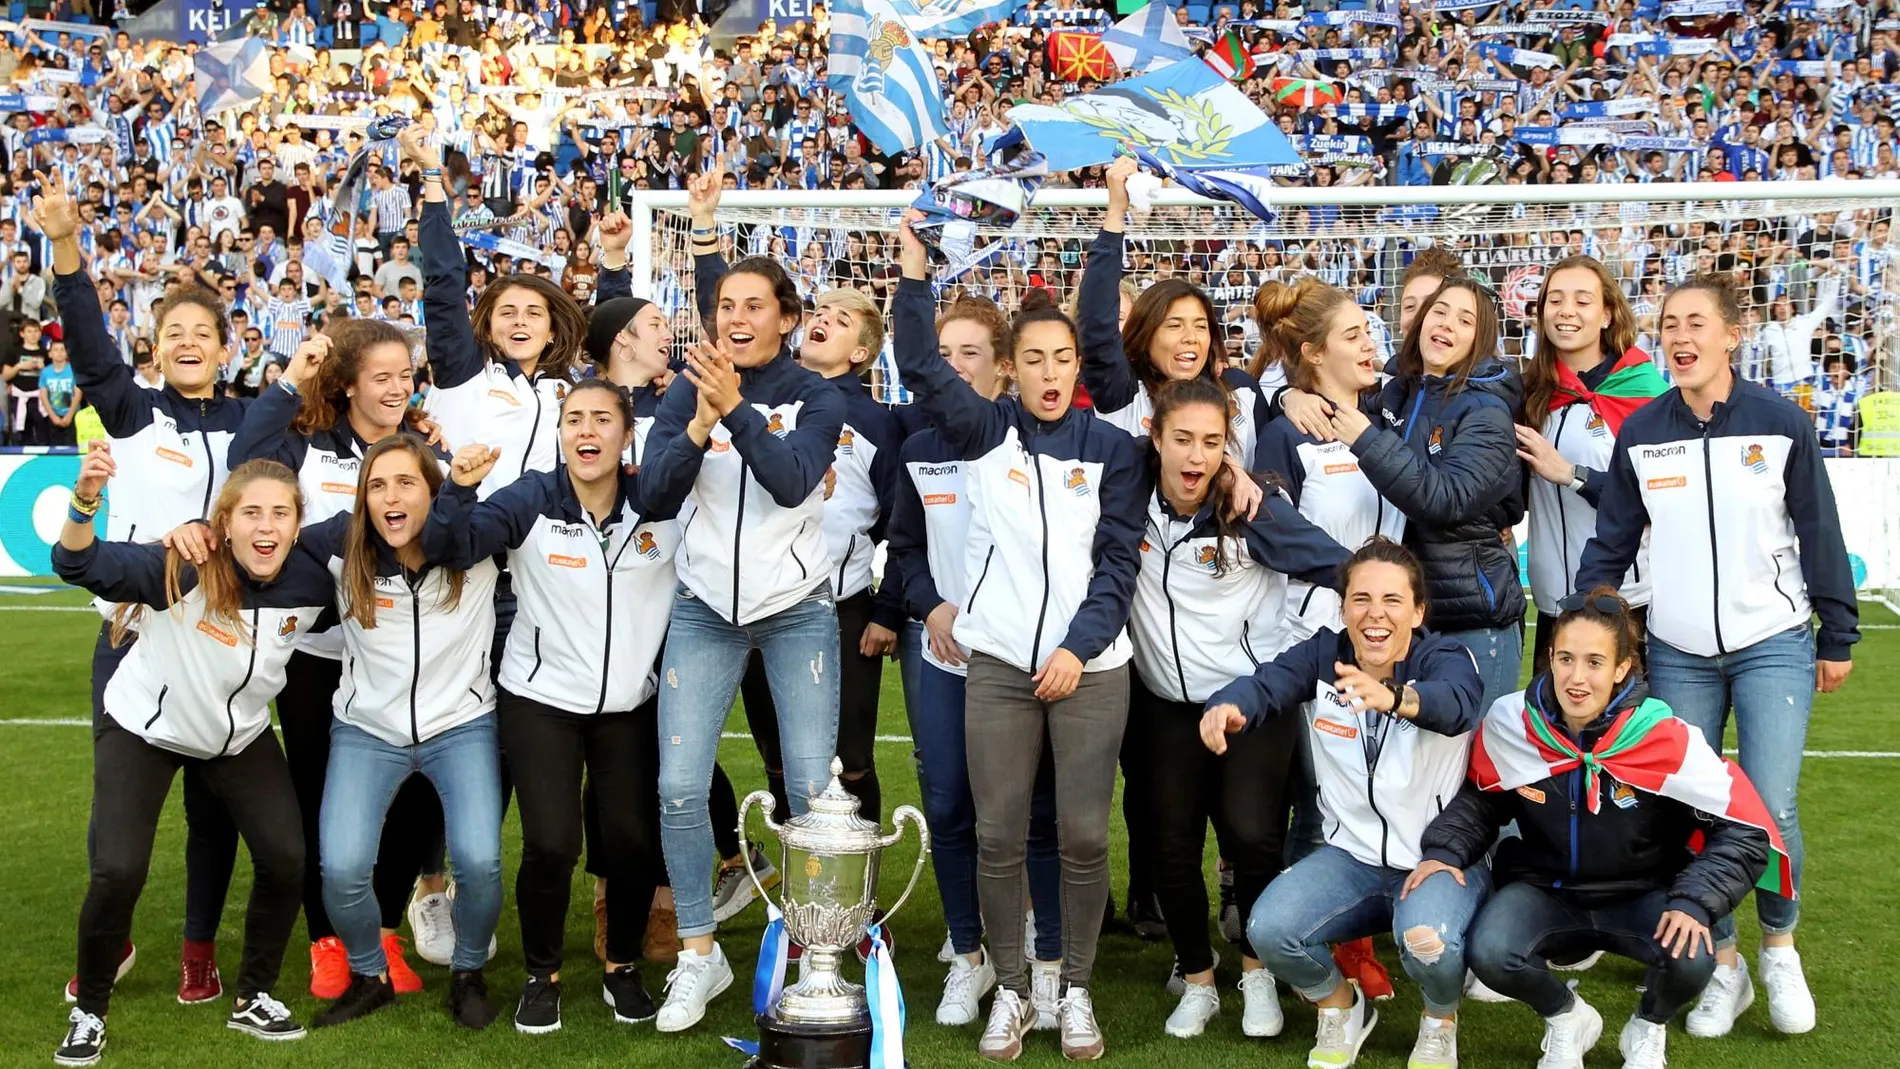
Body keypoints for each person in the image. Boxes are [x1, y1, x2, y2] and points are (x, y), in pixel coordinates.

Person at [1575, 274, 1859, 1039]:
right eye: (1669, 323)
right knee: (1691, 805)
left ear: (1733, 334)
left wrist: (1838, 633)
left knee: (1771, 805)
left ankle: (1778, 947)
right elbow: (1612, 541)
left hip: (1773, 643)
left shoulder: (1780, 423)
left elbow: (1820, 533)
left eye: (1695, 321)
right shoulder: (1643, 431)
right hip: (1677, 650)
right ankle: (1723, 963)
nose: (1679, 335)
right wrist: (1585, 621)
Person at [894, 210, 1146, 1062]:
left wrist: (1078, 647)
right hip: (997, 664)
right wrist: (913, 272)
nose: (1047, 372)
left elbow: (1117, 565)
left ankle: (1071, 989)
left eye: (1061, 358)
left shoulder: (1114, 448)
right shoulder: (982, 434)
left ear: (1079, 368)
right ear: (1009, 369)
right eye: (1031, 358)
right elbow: (922, 366)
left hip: (1093, 669)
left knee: (1080, 834)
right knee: (998, 835)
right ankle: (1011, 989)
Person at [36, 168, 248, 1008]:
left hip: (222, 642)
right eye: (174, 332)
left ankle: (199, 949)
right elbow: (90, 347)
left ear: (228, 348)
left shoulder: (250, 422)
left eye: (205, 331)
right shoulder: (132, 412)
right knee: (119, 814)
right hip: (130, 636)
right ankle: (112, 937)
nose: (190, 341)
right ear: (155, 348)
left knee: (213, 810)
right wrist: (65, 247)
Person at [1421, 589, 1781, 1069]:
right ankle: (1567, 1018)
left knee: (1695, 953)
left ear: (1621, 669)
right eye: (1566, 658)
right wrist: (1444, 851)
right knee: (1490, 951)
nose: (1577, 677)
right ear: (1549, 658)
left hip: (1642, 892)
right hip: (1548, 890)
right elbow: (1482, 801)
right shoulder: (1513, 725)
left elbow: (1743, 827)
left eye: (1595, 662)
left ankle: (1647, 1027)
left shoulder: (1665, 739)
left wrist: (1695, 902)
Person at [52, 449, 328, 1065]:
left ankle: (254, 994)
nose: (266, 527)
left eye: (280, 514)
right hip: (145, 727)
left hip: (238, 736)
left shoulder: (312, 577)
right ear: (222, 523)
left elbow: (385, 534)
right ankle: (90, 1010)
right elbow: (74, 560)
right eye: (251, 512)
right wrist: (86, 497)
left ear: (297, 524)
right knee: (118, 869)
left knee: (286, 857)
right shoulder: (181, 566)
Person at [422, 380, 681, 1036]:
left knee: (629, 841)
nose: (585, 429)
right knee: (552, 841)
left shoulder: (659, 507)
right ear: (561, 433)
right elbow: (451, 546)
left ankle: (622, 966)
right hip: (540, 699)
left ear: (627, 436)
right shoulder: (532, 497)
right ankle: (544, 975)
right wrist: (458, 488)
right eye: (573, 419)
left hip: (629, 702)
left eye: (601, 418)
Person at [1202, 537, 1487, 1069]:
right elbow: (1269, 683)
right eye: (1360, 599)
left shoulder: (1446, 657)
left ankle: (1439, 1020)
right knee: (1267, 929)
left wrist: (1397, 698)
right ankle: (1342, 1005)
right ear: (1344, 606)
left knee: (1428, 941)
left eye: (1392, 600)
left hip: (1434, 861)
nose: (1374, 614)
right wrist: (1228, 706)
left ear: (1418, 611)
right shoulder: (1324, 654)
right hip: (1349, 858)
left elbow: (1457, 705)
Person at [1128, 375, 1349, 1040]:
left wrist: (1304, 645)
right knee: (1169, 842)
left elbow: (1338, 566)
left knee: (1253, 834)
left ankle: (1255, 972)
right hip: (1165, 702)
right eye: (1183, 440)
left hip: (1250, 699)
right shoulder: (1125, 498)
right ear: (1155, 438)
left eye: (1212, 442)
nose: (1196, 456)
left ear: (1230, 448)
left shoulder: (1251, 507)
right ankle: (1198, 978)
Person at [227, 324, 444, 996]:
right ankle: (327, 939)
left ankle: (381, 928)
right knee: (320, 795)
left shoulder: (422, 448)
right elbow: (245, 457)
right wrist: (293, 376)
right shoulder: (307, 444)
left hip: (404, 655)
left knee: (416, 791)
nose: (396, 387)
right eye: (380, 376)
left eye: (404, 375)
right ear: (348, 382)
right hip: (318, 656)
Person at [1085, 156, 1270, 943]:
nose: (1188, 338)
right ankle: (1156, 896)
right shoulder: (1126, 399)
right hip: (1137, 623)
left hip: (1227, 619)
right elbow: (1095, 324)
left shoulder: (1251, 403)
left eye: (1201, 325)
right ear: (1146, 335)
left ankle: (1237, 894)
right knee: (1154, 783)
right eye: (1173, 324)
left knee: (1244, 796)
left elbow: (1278, 492)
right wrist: (1115, 213)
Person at [272, 433, 505, 1031]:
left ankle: (468, 971)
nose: (390, 497)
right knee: (343, 866)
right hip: (366, 730)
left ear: (434, 489)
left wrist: (465, 488)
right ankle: (370, 975)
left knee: (479, 862)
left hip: (462, 724)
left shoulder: (480, 543)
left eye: (406, 483)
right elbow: (263, 544)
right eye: (377, 485)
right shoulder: (337, 545)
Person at [884, 294, 1066, 1030]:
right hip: (945, 655)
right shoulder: (918, 449)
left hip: (1024, 660)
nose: (954, 367)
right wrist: (930, 607)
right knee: (951, 806)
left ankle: (1043, 951)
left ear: (1001, 367)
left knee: (1036, 813)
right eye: (944, 353)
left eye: (969, 354)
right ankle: (969, 955)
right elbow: (902, 548)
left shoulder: (1035, 446)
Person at [1246, 277, 1409, 998]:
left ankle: (1361, 932)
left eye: (1371, 333)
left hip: (1395, 642)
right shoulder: (1286, 429)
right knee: (1322, 800)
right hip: (1322, 640)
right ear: (1312, 355)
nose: (1370, 344)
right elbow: (1271, 529)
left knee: (1383, 791)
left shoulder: (1389, 415)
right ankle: (1318, 949)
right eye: (1353, 336)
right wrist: (1357, 580)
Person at [1301, 278, 1527, 713]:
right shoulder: (1400, 392)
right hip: (1410, 621)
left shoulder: (1487, 411)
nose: (1447, 325)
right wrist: (1293, 397)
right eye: (1440, 311)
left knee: (1475, 766)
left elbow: (1445, 499)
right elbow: (1331, 397)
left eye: (1465, 320)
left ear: (1479, 340)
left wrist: (1366, 440)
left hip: (1474, 622)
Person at [1513, 257, 1668, 673]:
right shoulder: (1530, 391)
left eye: (1582, 301)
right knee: (1554, 735)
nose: (1566, 311)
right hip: (1551, 604)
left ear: (1607, 314)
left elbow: (1659, 500)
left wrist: (1570, 475)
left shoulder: (1646, 393)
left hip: (1626, 603)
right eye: (1555, 300)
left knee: (1625, 735)